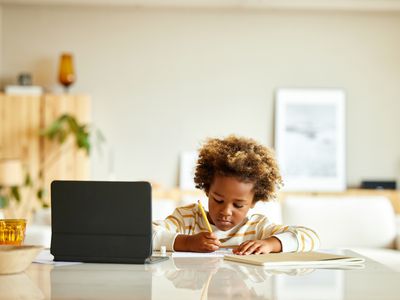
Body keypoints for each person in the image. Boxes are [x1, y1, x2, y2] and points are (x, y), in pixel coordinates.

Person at [152, 135, 320, 254]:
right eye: (218, 200)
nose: (226, 211)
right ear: (207, 189)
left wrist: (270, 244)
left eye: (238, 205)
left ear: (254, 201)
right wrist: (187, 242)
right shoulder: (186, 219)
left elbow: (311, 237)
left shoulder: (257, 228)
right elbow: (145, 235)